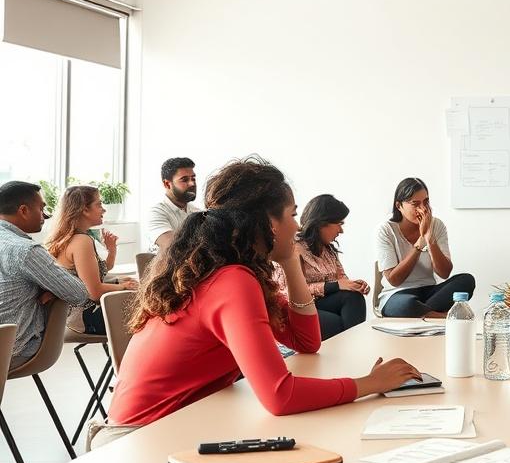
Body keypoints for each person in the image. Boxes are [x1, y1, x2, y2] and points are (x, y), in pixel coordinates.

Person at [106, 158, 421, 437]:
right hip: (139, 440)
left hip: (180, 425)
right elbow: (280, 396)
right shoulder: (231, 281)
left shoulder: (235, 272)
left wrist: (289, 261)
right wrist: (370, 383)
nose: (298, 226)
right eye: (292, 215)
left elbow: (305, 340)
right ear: (270, 223)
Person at [0, 181, 91, 370]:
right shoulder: (26, 251)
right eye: (41, 208)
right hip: (14, 348)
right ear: (23, 210)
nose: (46, 215)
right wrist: (49, 286)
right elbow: (79, 293)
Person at [273, 194, 368, 340]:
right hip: (299, 306)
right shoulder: (293, 248)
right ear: (322, 222)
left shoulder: (328, 249)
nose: (341, 231)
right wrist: (335, 286)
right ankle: (352, 349)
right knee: (336, 324)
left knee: (354, 297)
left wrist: (355, 285)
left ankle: (353, 349)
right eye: (339, 224)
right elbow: (287, 292)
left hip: (324, 303)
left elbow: (342, 279)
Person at [375, 178, 474, 318]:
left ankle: (422, 312)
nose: (422, 209)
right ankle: (443, 316)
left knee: (466, 280)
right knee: (406, 304)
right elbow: (394, 280)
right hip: (397, 294)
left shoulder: (437, 225)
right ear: (399, 206)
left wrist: (429, 238)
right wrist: (420, 243)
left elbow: (444, 273)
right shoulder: (386, 230)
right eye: (415, 204)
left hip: (430, 292)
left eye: (426, 202)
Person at [47, 186, 137, 335]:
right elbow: (94, 292)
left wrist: (111, 250)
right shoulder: (81, 241)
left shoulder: (71, 238)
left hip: (72, 318)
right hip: (84, 318)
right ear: (85, 209)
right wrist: (125, 286)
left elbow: (98, 273)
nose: (104, 210)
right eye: (99, 204)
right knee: (153, 312)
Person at [146, 157, 200, 252]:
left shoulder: (197, 212)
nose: (192, 184)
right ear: (167, 184)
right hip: (168, 266)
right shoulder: (156, 213)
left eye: (193, 178)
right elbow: (173, 248)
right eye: (184, 180)